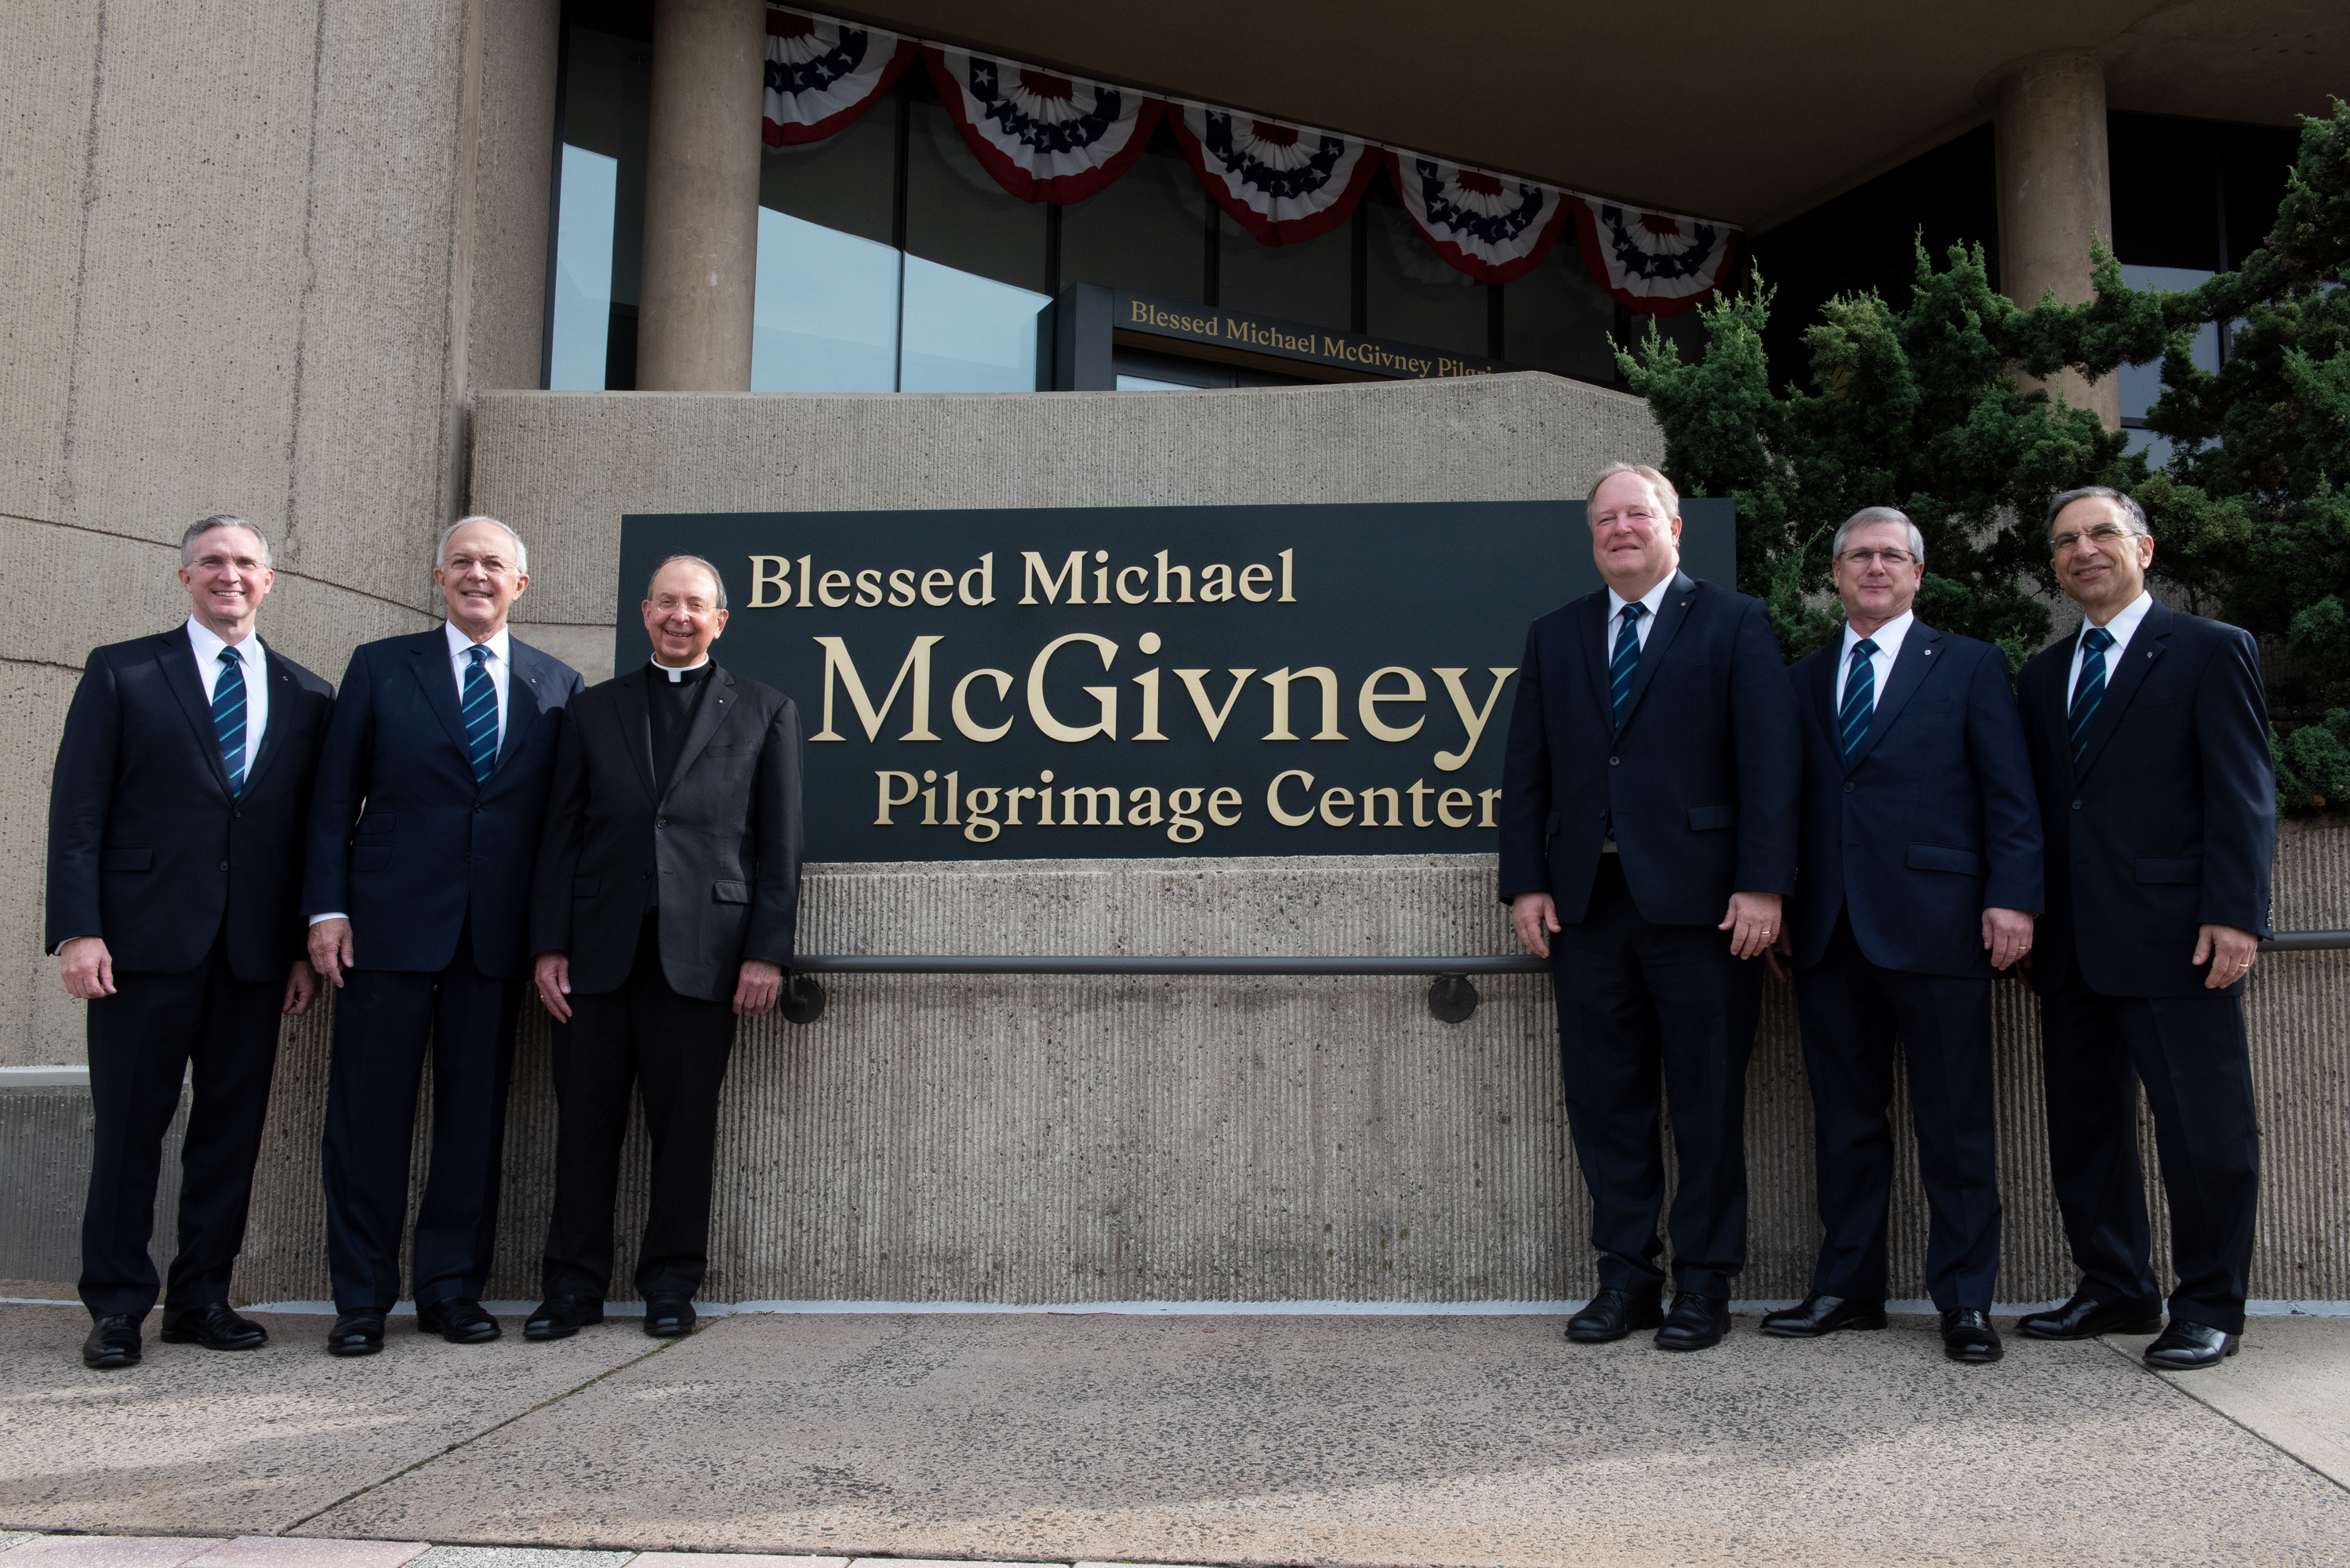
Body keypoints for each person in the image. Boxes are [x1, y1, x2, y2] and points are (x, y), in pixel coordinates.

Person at [1497, 462, 1800, 1352]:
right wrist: (1526, 879)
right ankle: (1627, 1278)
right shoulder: (1556, 635)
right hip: (1588, 907)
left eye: (1637, 514)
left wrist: (1764, 883)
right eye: (1604, 519)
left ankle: (1704, 1284)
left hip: (1706, 909)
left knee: (1706, 1100)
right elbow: (1528, 772)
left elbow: (1769, 765)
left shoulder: (1735, 622)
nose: (1620, 529)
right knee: (1606, 1099)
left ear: (1675, 527)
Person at [45, 514, 335, 1370]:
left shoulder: (308, 694)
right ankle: (118, 1304)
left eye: (246, 562)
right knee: (132, 1127)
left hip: (250, 955)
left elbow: (303, 834)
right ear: (185, 578)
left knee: (229, 1131)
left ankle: (202, 1295)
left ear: (270, 580)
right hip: (138, 946)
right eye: (213, 562)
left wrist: (294, 948)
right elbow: (78, 811)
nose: (230, 575)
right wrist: (78, 928)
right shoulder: (125, 671)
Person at [303, 516, 583, 1358]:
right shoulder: (381, 667)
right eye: (461, 561)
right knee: (368, 1120)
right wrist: (325, 909)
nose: (476, 574)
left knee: (473, 1123)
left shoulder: (557, 685)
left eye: (492, 564)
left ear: (520, 585)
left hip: (493, 939)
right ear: (438, 575)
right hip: (383, 929)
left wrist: (549, 938)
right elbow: (330, 798)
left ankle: (451, 1289)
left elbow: (560, 828)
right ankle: (360, 1298)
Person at [1766, 506, 2042, 1364]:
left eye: (1891, 555)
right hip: (1827, 932)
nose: (1874, 567)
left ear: (1918, 573)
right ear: (1836, 574)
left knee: (1955, 1122)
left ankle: (1965, 1300)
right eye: (1858, 556)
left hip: (1943, 926)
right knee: (1845, 1123)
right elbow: (1780, 804)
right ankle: (1849, 1289)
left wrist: (2014, 899)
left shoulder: (1967, 665)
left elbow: (2010, 793)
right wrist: (1776, 899)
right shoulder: (1800, 678)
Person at [2014, 486, 2274, 1371]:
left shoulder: (2208, 650)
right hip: (2073, 944)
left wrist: (2236, 912)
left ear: (2144, 548)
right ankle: (2115, 1282)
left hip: (2178, 937)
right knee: (2085, 1127)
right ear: (2054, 564)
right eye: (2066, 541)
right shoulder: (2044, 675)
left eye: (2101, 534)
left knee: (2203, 1130)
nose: (2084, 550)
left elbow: (2242, 795)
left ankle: (2208, 1303)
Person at [524, 554, 802, 1341]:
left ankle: (671, 1284)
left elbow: (779, 846)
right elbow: (560, 837)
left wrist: (767, 952)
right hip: (595, 956)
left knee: (685, 1130)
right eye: (666, 603)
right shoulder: (591, 709)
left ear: (721, 620)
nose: (680, 616)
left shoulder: (765, 710)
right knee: (582, 1126)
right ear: (644, 613)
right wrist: (548, 944)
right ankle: (571, 1287)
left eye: (697, 605)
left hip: (704, 958)